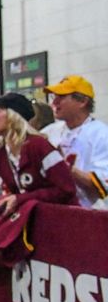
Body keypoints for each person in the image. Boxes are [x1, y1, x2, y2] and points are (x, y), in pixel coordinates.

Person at [41, 75, 108, 208]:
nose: (54, 103)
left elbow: (103, 183)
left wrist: (65, 168)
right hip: (55, 210)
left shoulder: (102, 134)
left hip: (90, 214)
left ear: (83, 101)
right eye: (54, 97)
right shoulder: (48, 133)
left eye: (62, 97)